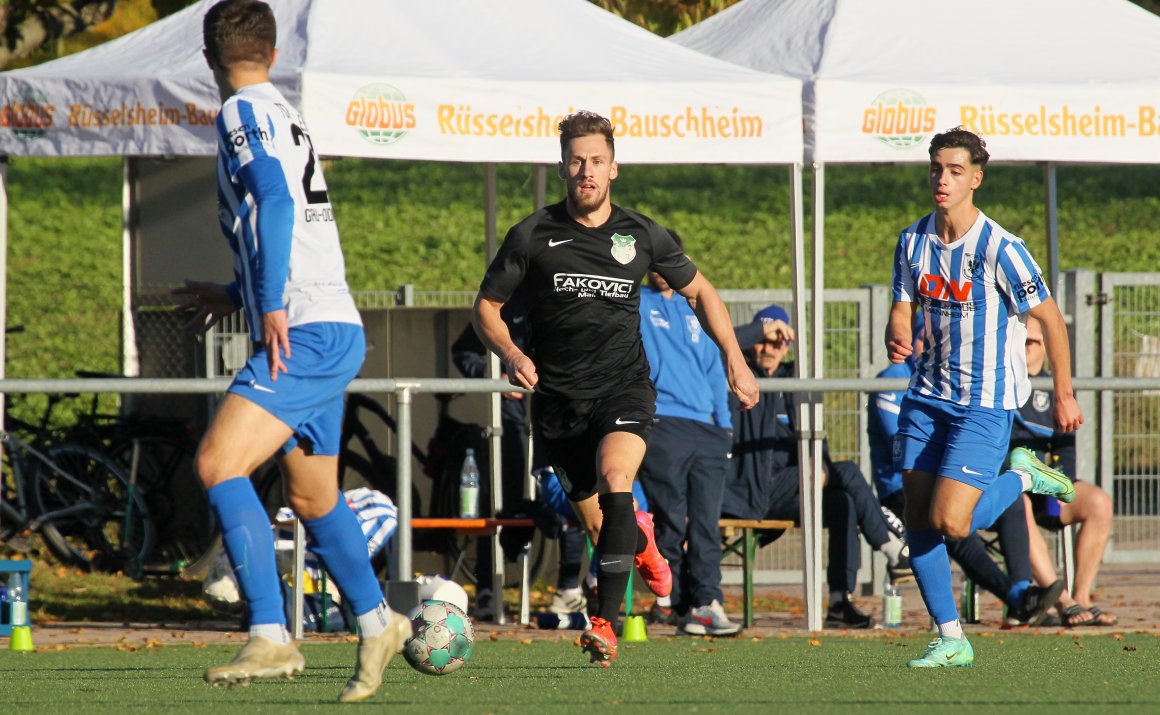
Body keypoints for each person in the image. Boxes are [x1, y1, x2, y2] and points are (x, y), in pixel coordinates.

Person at [470, 110, 758, 667]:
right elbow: (486, 308)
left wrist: (734, 359)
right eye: (577, 160)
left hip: (623, 389)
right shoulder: (532, 235)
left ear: (613, 168)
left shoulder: (641, 233)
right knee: (602, 524)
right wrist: (510, 352)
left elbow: (701, 292)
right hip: (558, 402)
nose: (587, 171)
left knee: (617, 477)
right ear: (562, 166)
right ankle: (643, 541)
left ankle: (603, 624)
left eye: (596, 161)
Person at [177, 1, 405, 702]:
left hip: (303, 327)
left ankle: (272, 632)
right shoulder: (286, 111)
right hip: (327, 322)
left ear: (210, 58)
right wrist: (239, 291)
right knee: (312, 494)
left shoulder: (241, 112)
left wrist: (268, 300)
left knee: (219, 463)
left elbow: (275, 201)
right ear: (273, 54)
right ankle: (378, 619)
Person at [887, 127, 1082, 668]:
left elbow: (1051, 320)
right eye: (935, 169)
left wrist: (1062, 391)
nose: (941, 180)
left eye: (954, 171)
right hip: (926, 395)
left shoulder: (1001, 247)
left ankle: (1023, 474)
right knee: (919, 516)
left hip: (984, 402)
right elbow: (901, 305)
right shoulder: (913, 240)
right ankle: (952, 637)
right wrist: (896, 331)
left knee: (953, 522)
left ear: (976, 178)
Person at [869, 311, 1063, 627]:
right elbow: (908, 446)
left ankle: (1021, 590)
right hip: (900, 489)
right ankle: (1010, 604)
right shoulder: (893, 378)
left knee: (1006, 503)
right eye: (923, 338)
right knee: (948, 522)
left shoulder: (954, 379)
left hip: (948, 475)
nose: (932, 345)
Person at [724, 304, 912, 629]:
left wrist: (819, 469)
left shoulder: (794, 383)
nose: (771, 347)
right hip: (751, 489)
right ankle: (890, 546)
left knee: (843, 502)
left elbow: (816, 439)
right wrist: (760, 331)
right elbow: (721, 347)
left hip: (792, 490)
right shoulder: (739, 380)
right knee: (848, 471)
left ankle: (840, 602)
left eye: (779, 341)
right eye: (765, 339)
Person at [450, 297, 588, 619]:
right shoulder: (503, 308)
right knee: (500, 500)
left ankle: (572, 590)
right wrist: (493, 375)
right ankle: (488, 587)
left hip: (556, 419)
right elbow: (464, 351)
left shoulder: (569, 300)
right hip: (509, 422)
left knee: (576, 494)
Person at [636, 232, 741, 636]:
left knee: (705, 522)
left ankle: (707, 601)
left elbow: (717, 366)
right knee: (670, 524)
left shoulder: (698, 304)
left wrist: (724, 425)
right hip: (662, 423)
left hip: (709, 429)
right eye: (657, 261)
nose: (663, 268)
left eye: (671, 260)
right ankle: (678, 604)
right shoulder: (636, 303)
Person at [1014, 316, 1117, 627]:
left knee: (1098, 501)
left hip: (1046, 484)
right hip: (1010, 485)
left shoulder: (1056, 392)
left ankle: (1082, 596)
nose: (1024, 347)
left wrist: (1061, 481)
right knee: (1017, 505)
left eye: (1031, 342)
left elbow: (1066, 444)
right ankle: (1062, 601)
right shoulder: (1003, 383)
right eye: (1019, 341)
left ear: (1046, 347)